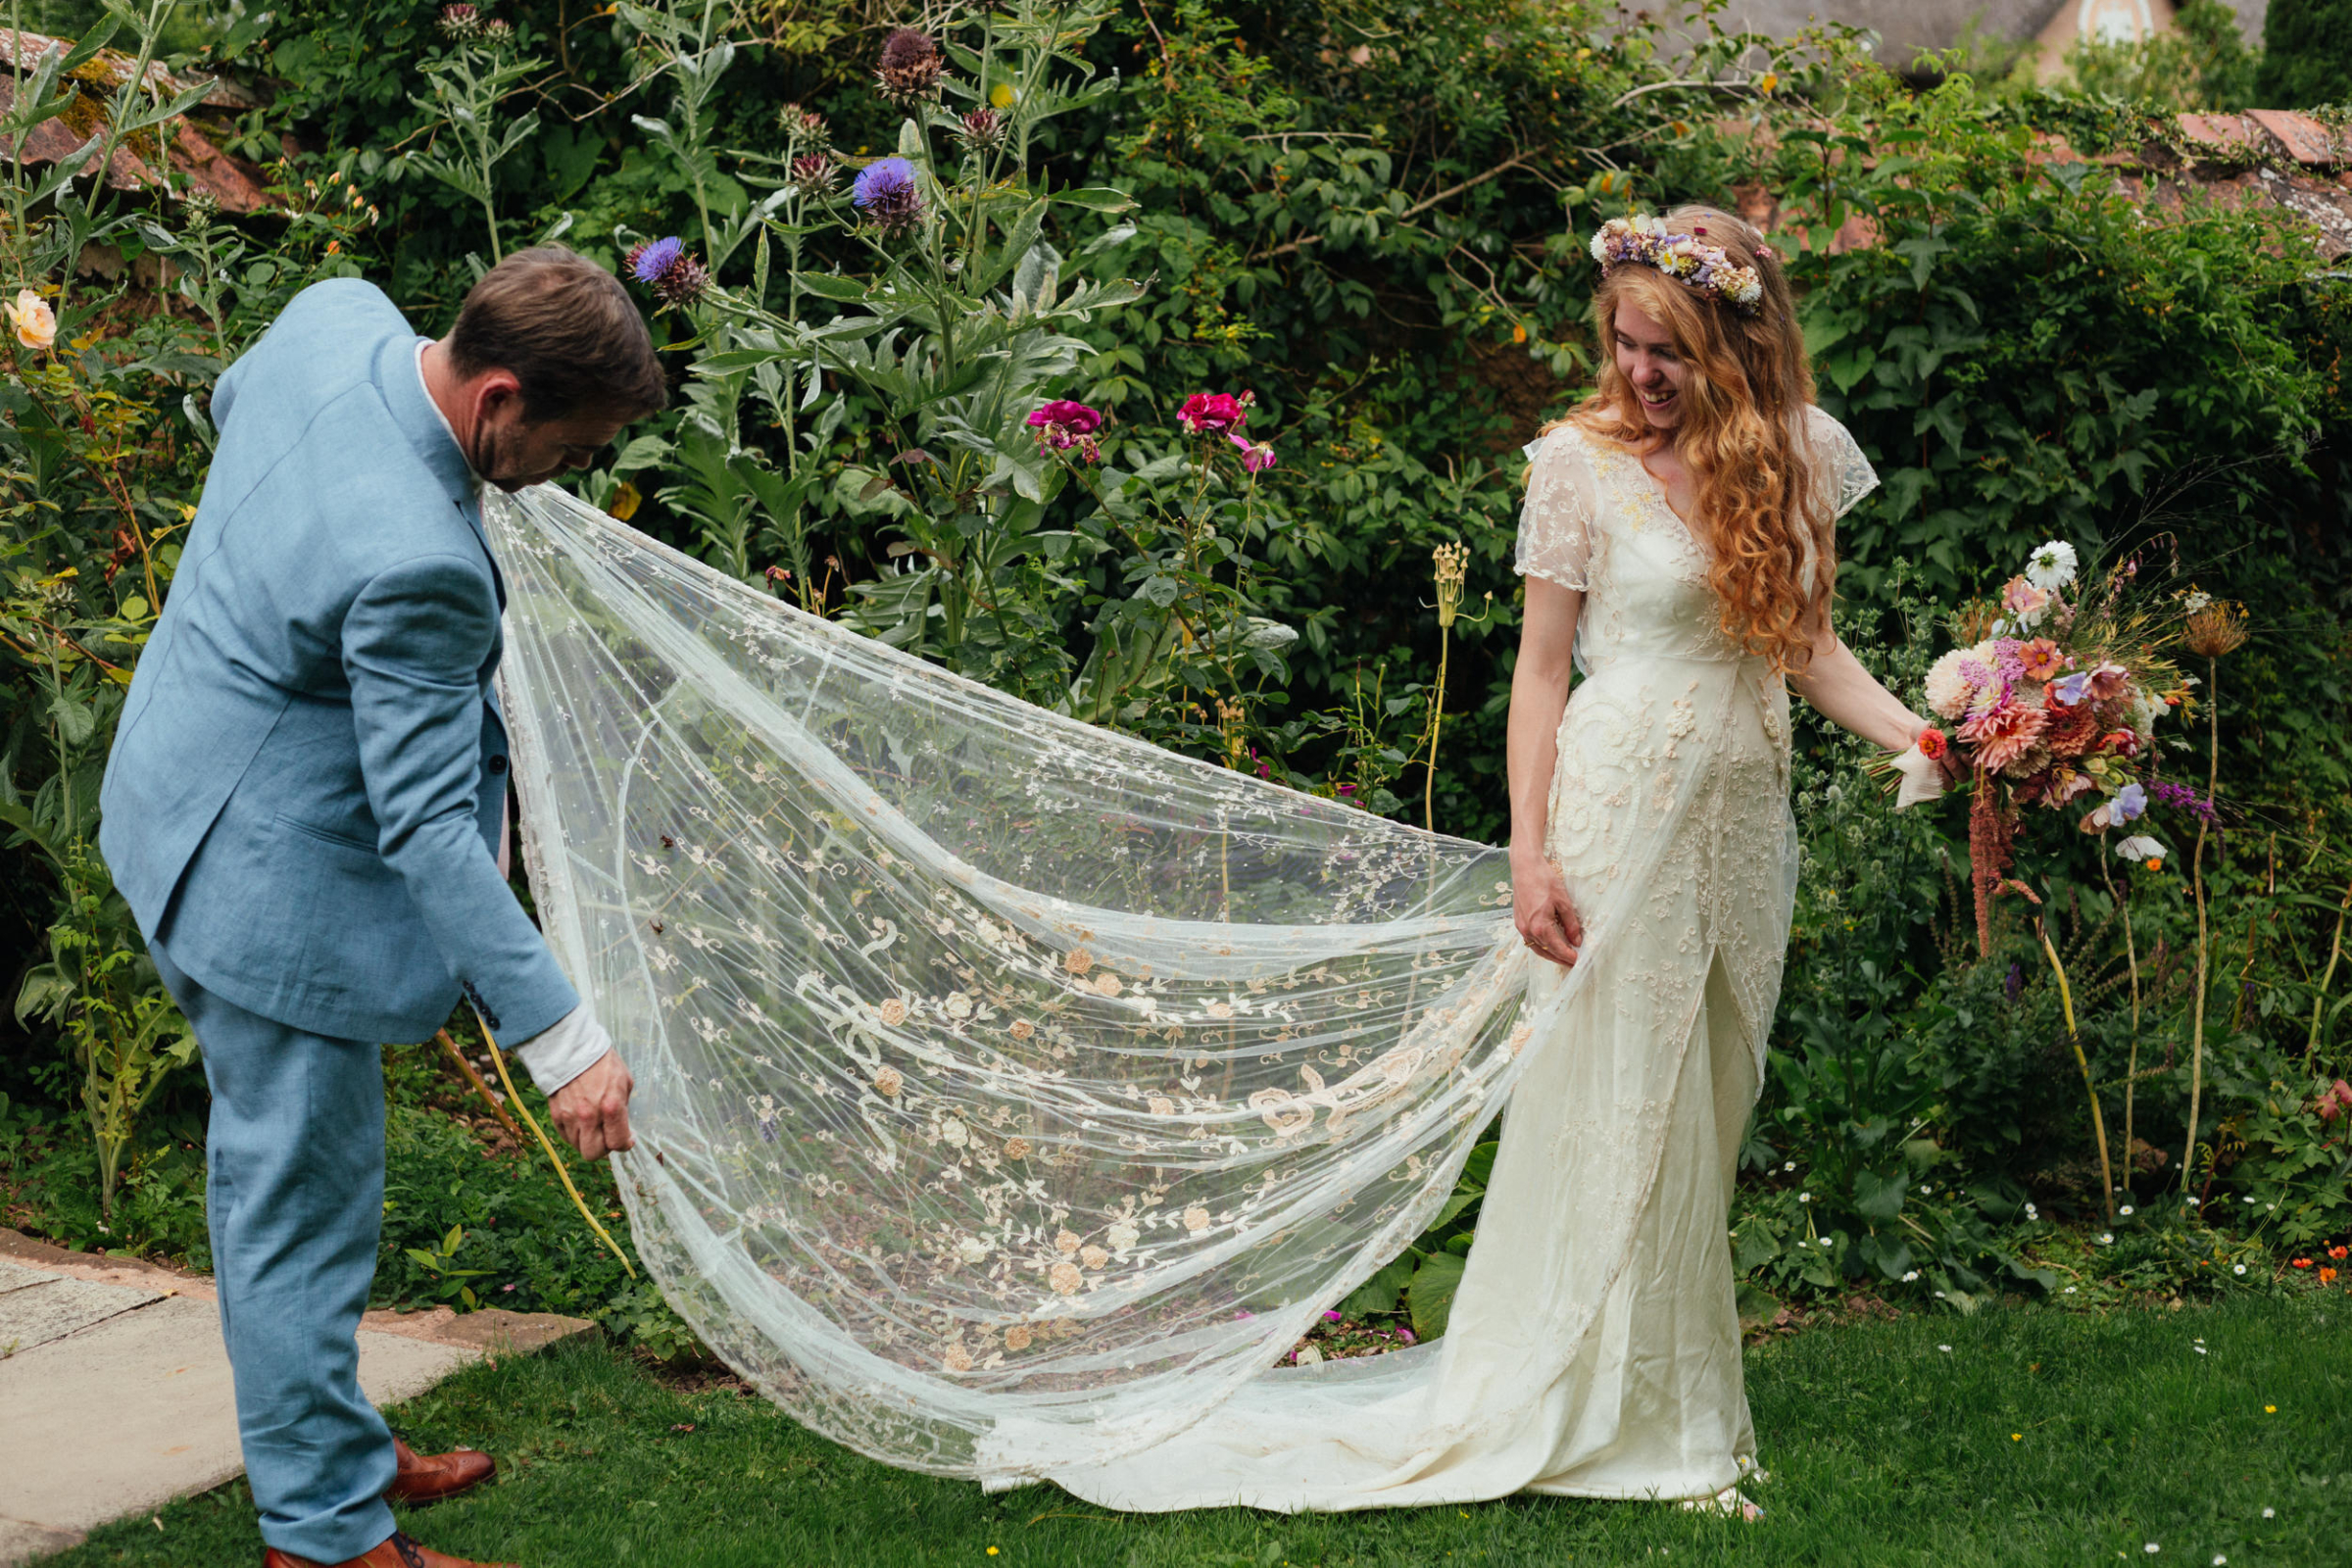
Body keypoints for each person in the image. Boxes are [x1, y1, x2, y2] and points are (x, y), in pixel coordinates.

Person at [1022, 206, 1947, 1514]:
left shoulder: (1796, 455)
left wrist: (1926, 733)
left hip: (1745, 818)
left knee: (1707, 1108)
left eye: (1670, 350)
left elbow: (1807, 647)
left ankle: (1664, 1398)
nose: (1641, 372)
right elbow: (1540, 673)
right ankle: (1640, 1431)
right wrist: (1528, 856)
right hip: (1619, 810)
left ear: (1737, 344)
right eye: (1626, 344)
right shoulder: (1577, 466)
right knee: (1620, 1106)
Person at [98, 246, 666, 1568]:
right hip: (258, 889)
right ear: (501, 400)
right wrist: (564, 1041)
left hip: (171, 779)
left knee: (303, 1184)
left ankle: (328, 1444)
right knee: (297, 1210)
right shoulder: (419, 562)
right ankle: (324, 1536)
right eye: (573, 448)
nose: (571, 476)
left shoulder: (332, 316)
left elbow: (233, 406)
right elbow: (422, 829)